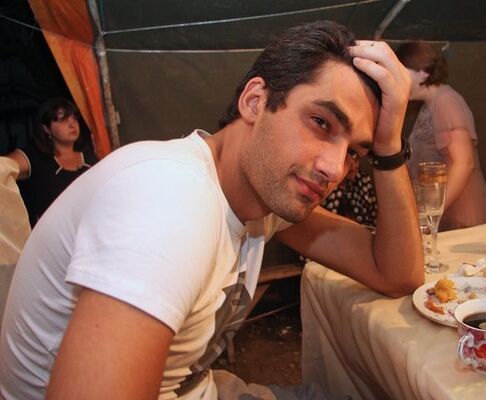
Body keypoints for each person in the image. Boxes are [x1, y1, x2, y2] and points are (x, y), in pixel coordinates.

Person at [0, 21, 423, 399]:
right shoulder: (167, 199)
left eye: (354, 153)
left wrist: (388, 148)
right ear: (255, 101)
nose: (335, 168)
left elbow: (396, 274)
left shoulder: (261, 196)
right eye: (321, 123)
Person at [395, 41, 486, 231]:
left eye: (401, 72)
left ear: (423, 72)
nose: (397, 80)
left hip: (462, 217)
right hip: (444, 217)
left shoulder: (446, 101)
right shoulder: (429, 106)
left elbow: (463, 163)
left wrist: (431, 214)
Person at [5, 97, 97, 227]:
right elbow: (4, 168)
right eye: (62, 119)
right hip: (55, 235)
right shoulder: (35, 157)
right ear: (46, 128)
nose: (72, 124)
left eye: (74, 118)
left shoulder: (90, 157)